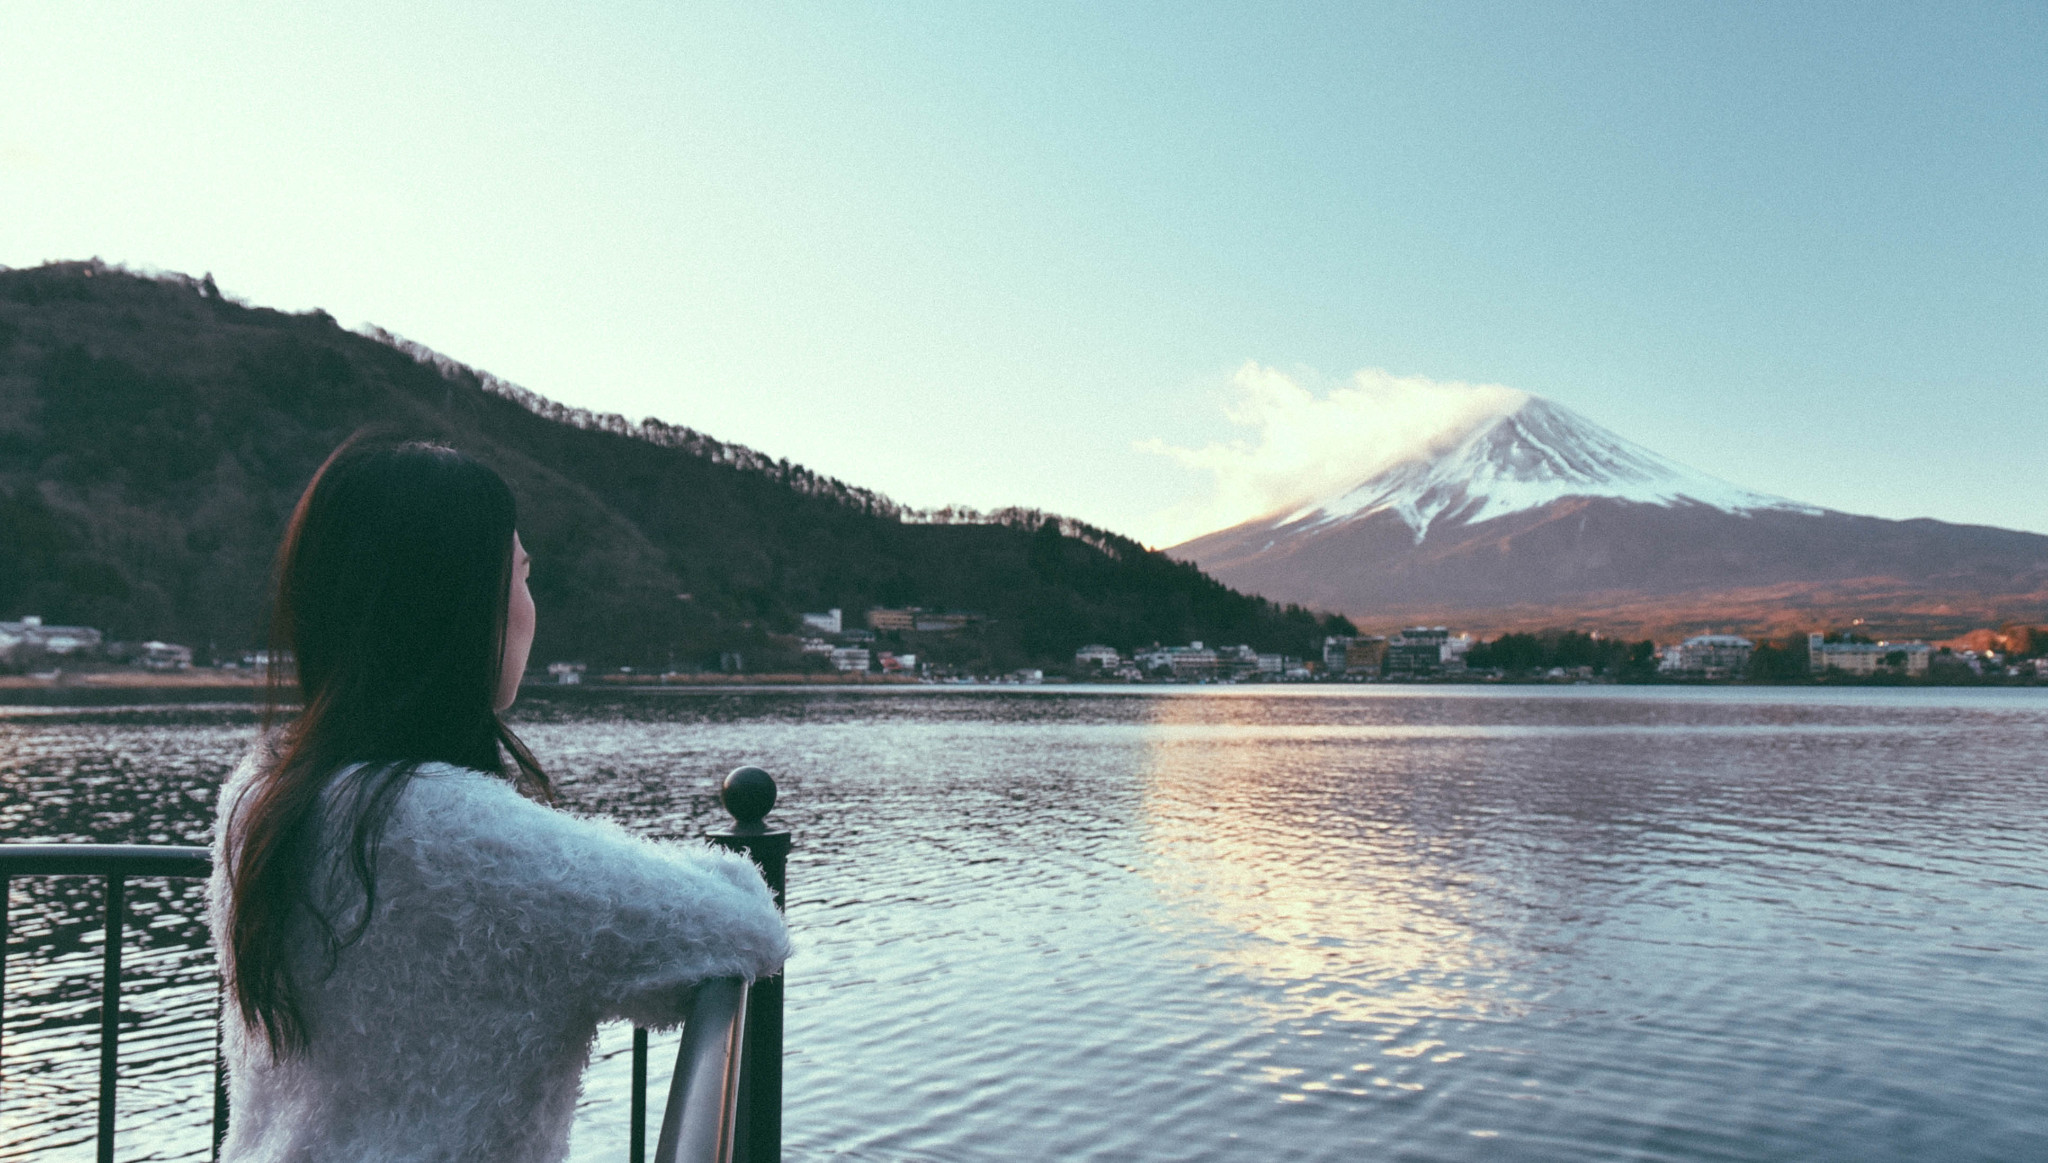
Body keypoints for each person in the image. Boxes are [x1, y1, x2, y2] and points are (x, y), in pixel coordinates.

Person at [204, 439, 790, 1163]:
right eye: (520, 575)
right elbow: (745, 926)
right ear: (459, 605)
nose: (528, 605)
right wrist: (709, 867)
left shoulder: (261, 797)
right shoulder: (472, 840)